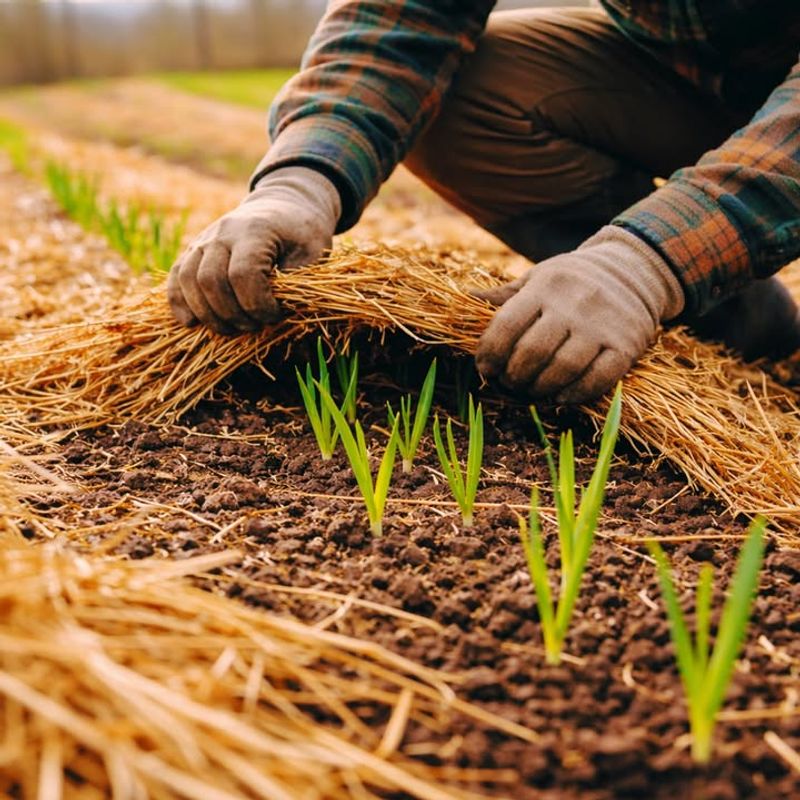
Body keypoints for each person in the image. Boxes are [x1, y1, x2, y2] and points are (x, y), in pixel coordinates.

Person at [167, 1, 800, 403]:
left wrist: (642, 264)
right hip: (703, 80)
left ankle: (658, 285)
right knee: (472, 92)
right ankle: (744, 331)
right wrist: (300, 181)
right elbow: (400, 19)